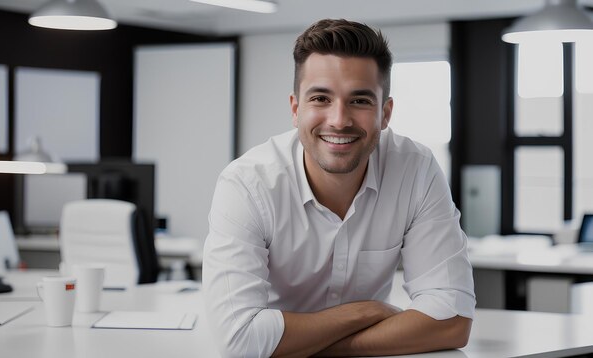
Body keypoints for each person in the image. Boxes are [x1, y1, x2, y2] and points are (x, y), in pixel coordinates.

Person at [203, 18, 475, 358]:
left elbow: (453, 320)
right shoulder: (247, 184)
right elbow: (239, 341)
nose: (339, 120)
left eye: (359, 101)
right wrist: (368, 312)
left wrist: (308, 345)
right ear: (295, 109)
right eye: (320, 98)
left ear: (385, 113)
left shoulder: (415, 169)